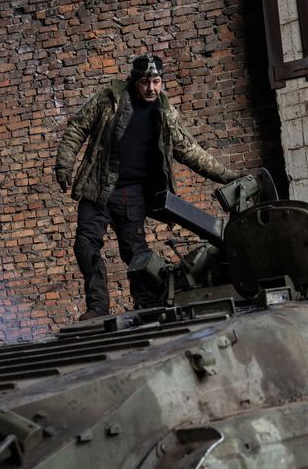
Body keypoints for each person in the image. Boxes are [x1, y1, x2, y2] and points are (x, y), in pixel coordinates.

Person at [55, 55, 239, 320]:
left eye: (156, 81)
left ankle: (147, 304)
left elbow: (189, 151)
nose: (151, 88)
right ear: (134, 81)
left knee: (136, 254)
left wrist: (227, 176)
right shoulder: (110, 98)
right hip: (97, 188)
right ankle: (97, 307)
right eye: (145, 82)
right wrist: (64, 164)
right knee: (85, 245)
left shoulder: (166, 112)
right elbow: (77, 128)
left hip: (133, 194)